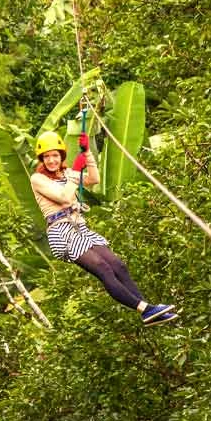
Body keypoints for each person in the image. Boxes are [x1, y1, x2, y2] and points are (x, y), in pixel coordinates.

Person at [30, 130, 178, 325]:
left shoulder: (67, 174)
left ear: (61, 156)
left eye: (55, 155)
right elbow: (65, 199)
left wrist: (88, 153)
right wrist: (75, 174)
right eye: (47, 157)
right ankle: (146, 309)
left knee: (118, 266)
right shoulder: (38, 179)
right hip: (61, 232)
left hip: (79, 228)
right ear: (42, 159)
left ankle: (148, 312)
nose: (51, 160)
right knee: (103, 269)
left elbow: (94, 179)